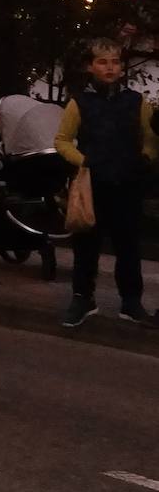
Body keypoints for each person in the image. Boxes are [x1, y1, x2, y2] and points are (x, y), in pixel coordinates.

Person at [55, 38, 157, 328]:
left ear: (122, 67)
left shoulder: (137, 102)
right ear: (91, 67)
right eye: (102, 62)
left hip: (127, 182)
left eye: (114, 62)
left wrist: (146, 159)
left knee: (129, 245)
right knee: (86, 243)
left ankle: (131, 301)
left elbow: (150, 139)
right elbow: (62, 141)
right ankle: (82, 297)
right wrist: (83, 161)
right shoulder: (79, 103)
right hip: (93, 183)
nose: (109, 67)